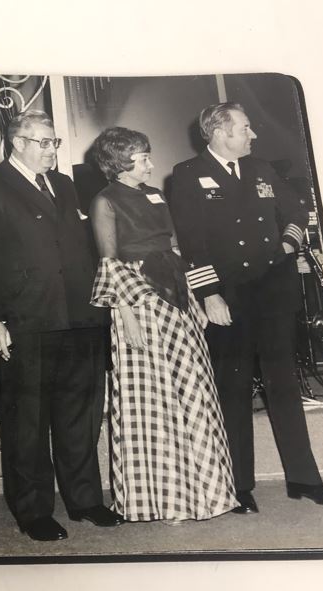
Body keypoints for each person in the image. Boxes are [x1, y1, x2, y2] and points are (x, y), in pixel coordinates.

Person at [170, 102, 323, 513]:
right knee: (233, 388)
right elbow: (192, 243)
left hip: (273, 291)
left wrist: (288, 243)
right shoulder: (187, 175)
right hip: (228, 295)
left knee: (283, 384)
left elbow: (297, 210)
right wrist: (209, 293)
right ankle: (239, 485)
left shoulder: (263, 169)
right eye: (245, 128)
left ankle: (305, 479)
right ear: (218, 133)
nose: (252, 135)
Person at [0, 110, 120, 541]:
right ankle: (33, 510)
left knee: (77, 416)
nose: (52, 150)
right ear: (18, 143)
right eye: (44, 143)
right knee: (26, 422)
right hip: (24, 322)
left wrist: (98, 310)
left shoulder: (63, 186)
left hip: (76, 318)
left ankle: (85, 500)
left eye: (54, 143)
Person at [89, 127, 237, 522]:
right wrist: (127, 317)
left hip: (176, 296)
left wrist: (193, 298)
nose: (151, 164)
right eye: (142, 159)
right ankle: (165, 501)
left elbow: (173, 247)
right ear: (121, 162)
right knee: (153, 401)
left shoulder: (154, 195)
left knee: (192, 389)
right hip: (138, 302)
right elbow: (110, 265)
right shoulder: (105, 201)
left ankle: (205, 494)